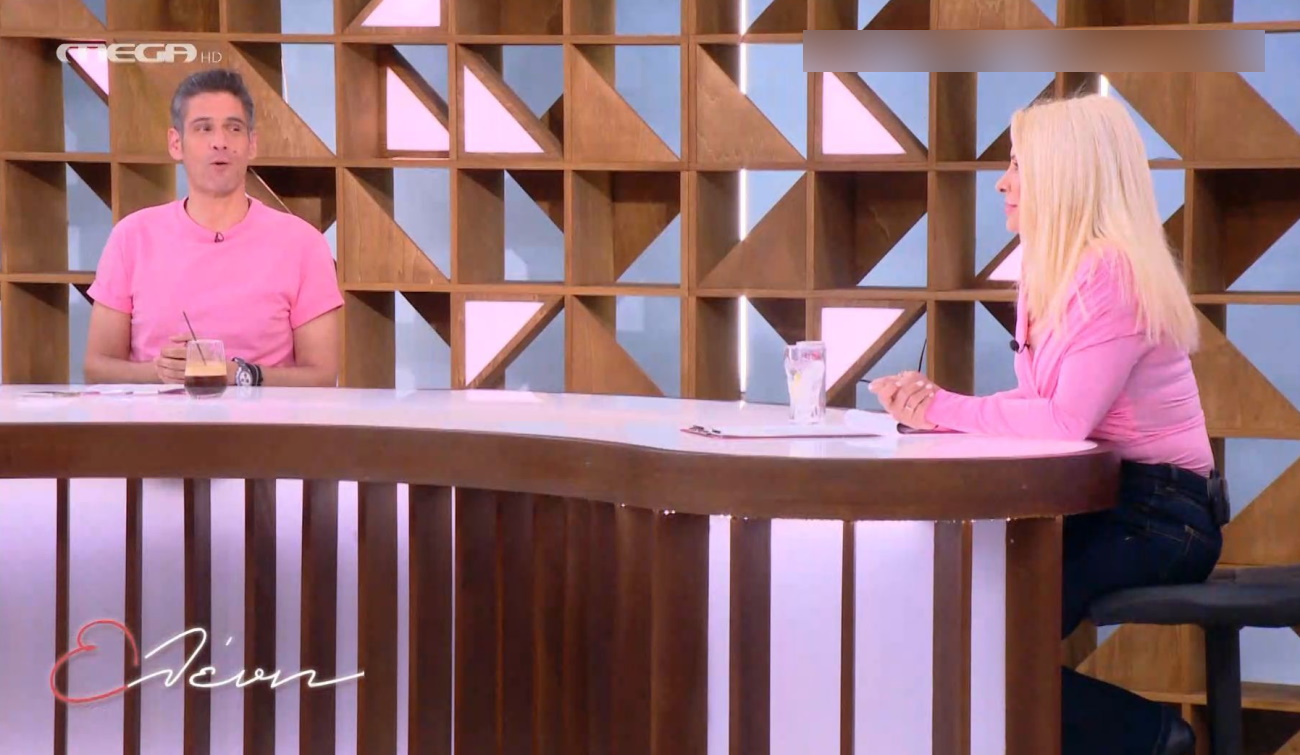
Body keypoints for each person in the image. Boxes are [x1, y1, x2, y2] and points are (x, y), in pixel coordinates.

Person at [870, 94, 1223, 755]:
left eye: (1018, 166)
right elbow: (1039, 406)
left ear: (1065, 176)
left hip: (1160, 514)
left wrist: (943, 409)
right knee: (954, 624)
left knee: (982, 638)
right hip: (1102, 500)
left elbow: (1062, 421)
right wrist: (936, 414)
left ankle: (1152, 738)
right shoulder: (1047, 271)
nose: (1002, 183)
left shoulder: (1113, 274)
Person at [84, 68, 343, 387]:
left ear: (252, 144)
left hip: (264, 419)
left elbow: (321, 376)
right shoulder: (132, 237)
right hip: (158, 418)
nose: (220, 142)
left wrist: (241, 374)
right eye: (203, 128)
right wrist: (159, 372)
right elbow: (97, 367)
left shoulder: (303, 244)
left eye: (234, 128)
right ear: (176, 143)